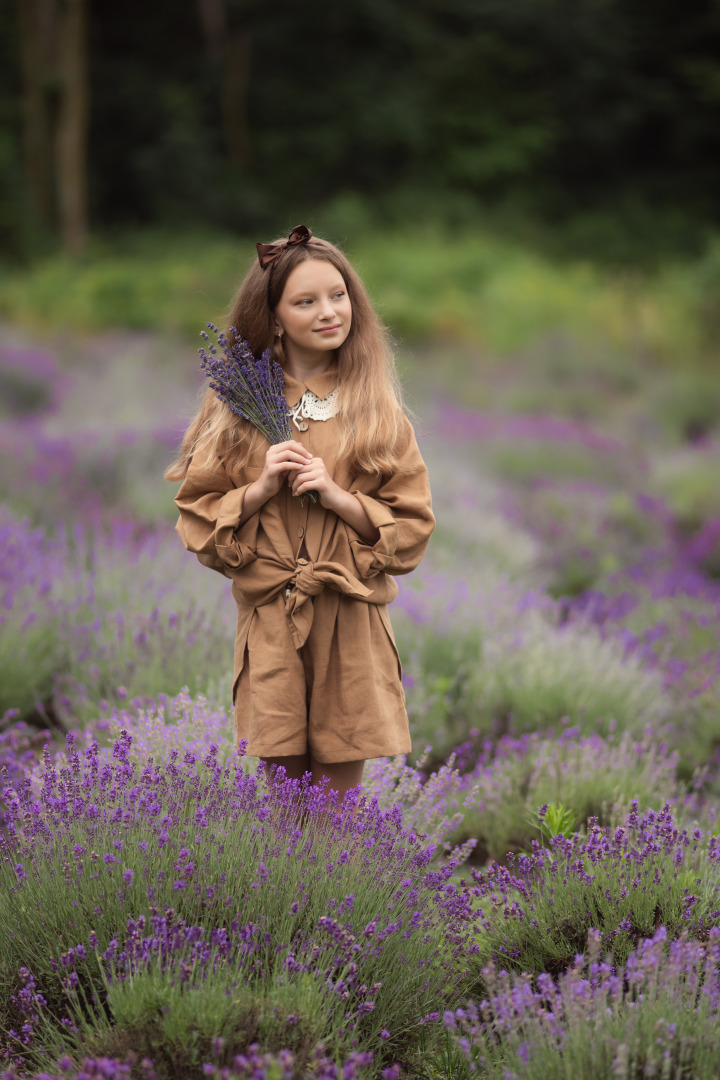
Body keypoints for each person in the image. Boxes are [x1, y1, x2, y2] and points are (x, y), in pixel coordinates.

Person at [166, 225, 434, 803]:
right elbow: (198, 520)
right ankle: (290, 896)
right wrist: (261, 486)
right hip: (272, 620)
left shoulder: (377, 410)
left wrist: (339, 497)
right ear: (275, 316)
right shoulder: (238, 406)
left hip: (350, 623)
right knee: (285, 806)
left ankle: (337, 894)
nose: (328, 312)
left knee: (336, 812)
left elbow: (411, 529)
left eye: (338, 296)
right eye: (305, 301)